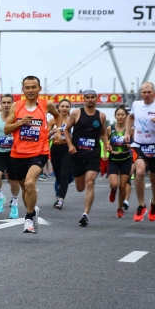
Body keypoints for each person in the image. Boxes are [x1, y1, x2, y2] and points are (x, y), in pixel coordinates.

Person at [4, 75, 62, 234]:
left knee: (30, 184)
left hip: (39, 152)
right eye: (27, 87)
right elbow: (6, 129)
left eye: (33, 87)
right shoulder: (16, 107)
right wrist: (20, 123)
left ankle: (29, 218)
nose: (30, 90)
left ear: (39, 89)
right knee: (25, 189)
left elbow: (58, 116)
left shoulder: (46, 105)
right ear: (23, 90)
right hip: (18, 154)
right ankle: (32, 211)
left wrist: (58, 130)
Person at [125, 82, 155, 222]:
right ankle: (141, 205)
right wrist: (127, 133)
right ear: (141, 93)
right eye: (144, 92)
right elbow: (131, 117)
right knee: (140, 172)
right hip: (139, 144)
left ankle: (154, 204)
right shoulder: (136, 104)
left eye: (149, 92)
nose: (146, 95)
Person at [64, 89, 107, 227]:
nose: (90, 100)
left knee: (90, 181)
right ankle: (85, 211)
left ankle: (85, 214)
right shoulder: (76, 113)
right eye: (87, 97)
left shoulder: (101, 116)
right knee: (80, 187)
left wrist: (107, 144)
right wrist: (70, 145)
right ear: (84, 99)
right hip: (77, 154)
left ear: (96, 98)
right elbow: (66, 129)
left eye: (92, 97)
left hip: (93, 154)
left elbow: (103, 133)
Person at [108, 106, 133, 218]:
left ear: (126, 116)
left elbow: (136, 144)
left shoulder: (131, 130)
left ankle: (120, 209)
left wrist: (130, 145)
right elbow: (104, 139)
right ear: (115, 116)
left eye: (123, 115)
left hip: (126, 160)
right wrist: (107, 147)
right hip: (113, 159)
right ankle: (113, 191)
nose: (120, 117)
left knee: (123, 186)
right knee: (114, 184)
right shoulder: (110, 128)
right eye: (118, 114)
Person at [49, 99, 73, 210]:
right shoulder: (52, 121)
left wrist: (70, 137)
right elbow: (44, 137)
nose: (64, 108)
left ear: (69, 108)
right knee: (58, 176)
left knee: (64, 175)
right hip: (55, 148)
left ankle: (61, 200)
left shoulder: (72, 121)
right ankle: (59, 195)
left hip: (67, 149)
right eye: (62, 106)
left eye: (66, 106)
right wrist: (52, 132)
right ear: (58, 108)